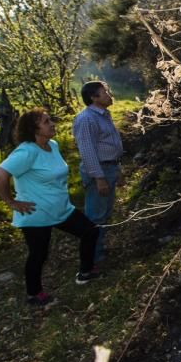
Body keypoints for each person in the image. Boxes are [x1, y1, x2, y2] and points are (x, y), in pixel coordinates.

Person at [0, 108, 101, 306]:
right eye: (46, 122)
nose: (52, 124)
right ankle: (34, 294)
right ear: (33, 129)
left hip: (61, 209)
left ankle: (86, 272)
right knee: (39, 254)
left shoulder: (52, 144)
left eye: (50, 120)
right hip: (36, 213)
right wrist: (11, 202)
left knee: (90, 231)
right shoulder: (26, 151)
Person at [73, 81, 123, 270]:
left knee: (104, 213)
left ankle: (98, 252)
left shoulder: (103, 115)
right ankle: (92, 259)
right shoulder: (87, 119)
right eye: (105, 92)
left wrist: (117, 169)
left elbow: (110, 145)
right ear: (94, 97)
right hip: (99, 172)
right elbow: (87, 151)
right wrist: (99, 178)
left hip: (108, 168)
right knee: (96, 216)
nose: (109, 95)